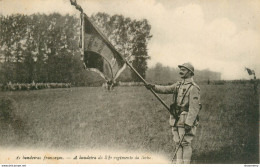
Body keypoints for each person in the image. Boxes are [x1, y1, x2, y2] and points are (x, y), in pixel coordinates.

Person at [145, 63, 201, 164]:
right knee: (177, 143)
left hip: (185, 120)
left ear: (190, 72)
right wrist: (153, 87)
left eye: (183, 70)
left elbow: (194, 108)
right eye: (181, 69)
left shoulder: (194, 88)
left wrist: (189, 123)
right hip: (175, 119)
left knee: (185, 143)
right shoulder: (178, 85)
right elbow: (166, 89)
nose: (181, 71)